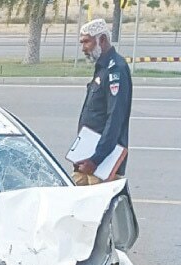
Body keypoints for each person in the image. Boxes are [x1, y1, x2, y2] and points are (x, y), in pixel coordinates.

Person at [72, 19, 133, 185]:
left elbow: (115, 118)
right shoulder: (102, 67)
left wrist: (96, 159)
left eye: (86, 42)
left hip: (101, 162)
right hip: (86, 156)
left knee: (99, 208)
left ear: (102, 40)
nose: (83, 48)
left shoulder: (116, 69)